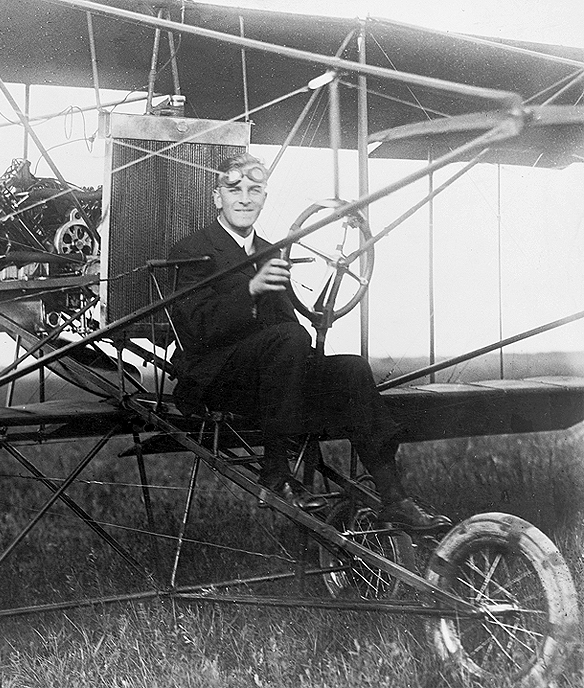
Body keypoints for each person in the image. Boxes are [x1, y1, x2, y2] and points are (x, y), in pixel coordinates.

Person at [167, 154, 450, 531]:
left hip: (272, 377)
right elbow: (194, 328)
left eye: (254, 190)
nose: (245, 199)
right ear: (217, 197)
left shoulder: (270, 251)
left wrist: (311, 343)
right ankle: (276, 473)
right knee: (289, 338)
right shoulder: (192, 249)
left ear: (265, 197)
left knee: (350, 369)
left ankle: (394, 497)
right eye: (234, 190)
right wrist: (251, 290)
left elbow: (286, 326)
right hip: (216, 380)